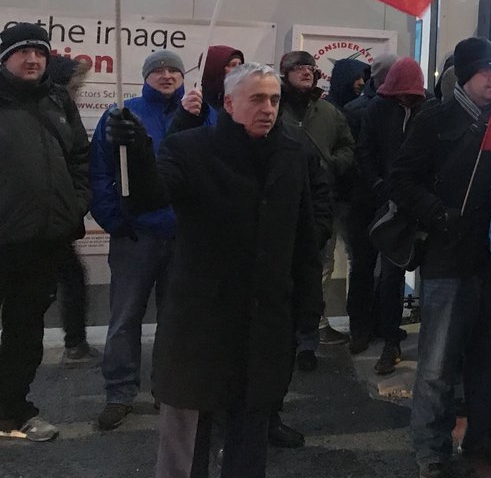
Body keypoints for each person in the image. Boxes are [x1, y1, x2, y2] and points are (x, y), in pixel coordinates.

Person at [108, 62, 324, 478]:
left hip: (265, 321)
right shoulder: (190, 149)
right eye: (257, 98)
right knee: (187, 440)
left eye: (275, 99)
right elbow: (148, 197)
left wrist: (307, 305)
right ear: (228, 103)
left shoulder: (293, 151)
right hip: (201, 322)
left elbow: (304, 232)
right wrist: (132, 150)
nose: (268, 108)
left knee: (250, 435)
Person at [390, 37, 491, 478]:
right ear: (464, 75)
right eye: (488, 71)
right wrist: (440, 216)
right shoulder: (435, 119)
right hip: (448, 261)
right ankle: (431, 449)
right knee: (437, 366)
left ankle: (482, 436)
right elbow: (401, 181)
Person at [0, 23, 90, 443]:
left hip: (41, 243)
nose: (32, 59)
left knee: (25, 333)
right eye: (22, 52)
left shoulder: (57, 101)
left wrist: (76, 203)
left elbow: (80, 158)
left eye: (39, 51)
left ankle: (12, 412)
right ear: (5, 58)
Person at [90, 50, 186, 430]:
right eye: (158, 70)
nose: (166, 75)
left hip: (182, 235)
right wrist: (114, 219)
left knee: (175, 318)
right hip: (136, 234)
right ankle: (119, 392)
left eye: (173, 69)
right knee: (124, 318)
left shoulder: (197, 112)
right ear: (145, 77)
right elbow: (99, 170)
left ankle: (169, 388)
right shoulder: (121, 116)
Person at [278, 50, 355, 365]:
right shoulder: (273, 106)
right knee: (282, 270)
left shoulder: (328, 111)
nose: (306, 71)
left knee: (318, 269)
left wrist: (332, 166)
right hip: (281, 201)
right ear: (284, 73)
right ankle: (285, 335)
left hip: (320, 203)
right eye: (298, 67)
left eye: (310, 66)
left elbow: (348, 145)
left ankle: (309, 340)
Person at [355, 56, 428, 374]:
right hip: (386, 201)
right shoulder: (377, 110)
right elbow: (365, 151)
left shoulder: (428, 111)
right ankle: (389, 339)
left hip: (421, 201)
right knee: (389, 274)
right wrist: (378, 185)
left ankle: (422, 339)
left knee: (425, 274)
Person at [341, 52, 399, 356]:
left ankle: (372, 325)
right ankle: (363, 326)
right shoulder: (357, 111)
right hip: (365, 199)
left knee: (380, 268)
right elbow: (356, 156)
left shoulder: (399, 107)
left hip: (375, 196)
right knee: (366, 266)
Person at [45, 55, 98, 365]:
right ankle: (74, 344)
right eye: (75, 83)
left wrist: (78, 202)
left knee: (69, 278)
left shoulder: (63, 110)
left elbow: (79, 161)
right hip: (36, 219)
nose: (79, 89)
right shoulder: (51, 110)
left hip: (59, 216)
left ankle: (75, 343)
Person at [168, 45, 244, 134]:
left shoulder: (240, 104)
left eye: (240, 65)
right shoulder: (194, 105)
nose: (239, 70)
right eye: (233, 65)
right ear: (214, 69)